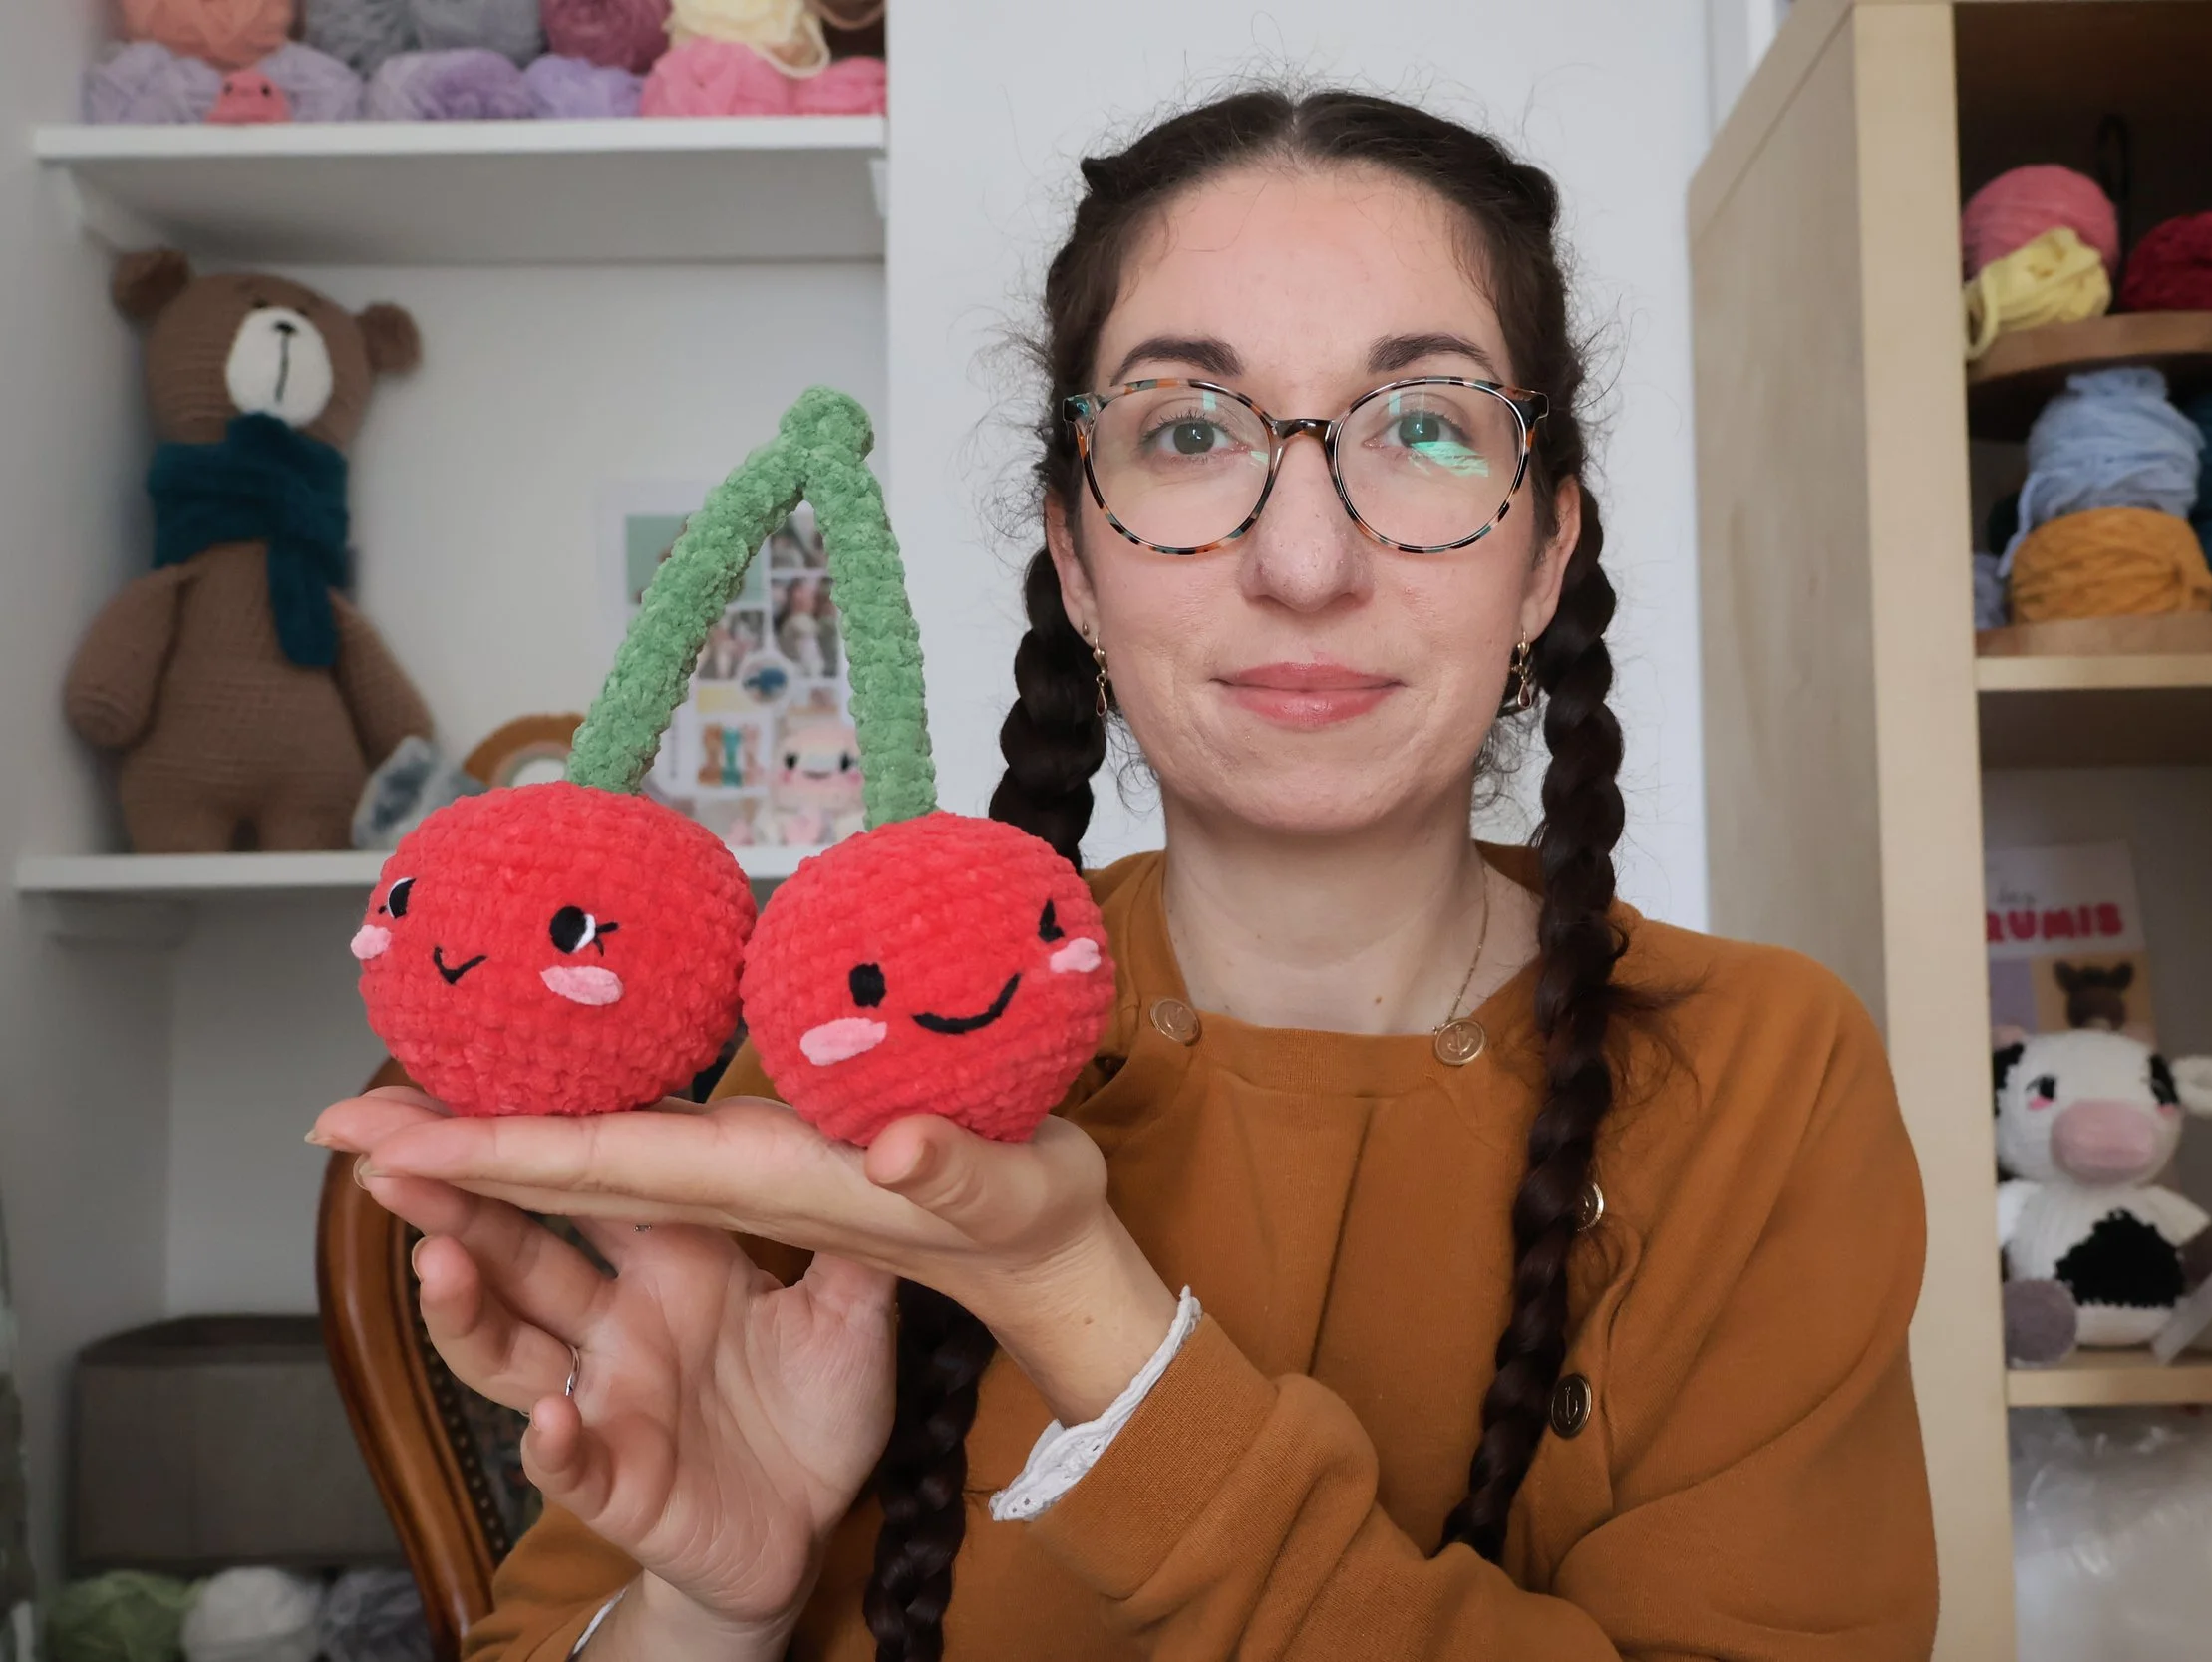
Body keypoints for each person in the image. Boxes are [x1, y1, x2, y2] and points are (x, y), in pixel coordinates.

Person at [312, 88, 1938, 1662]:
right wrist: (711, 1607)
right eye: (1189, 430)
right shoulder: (857, 1033)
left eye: (1426, 425)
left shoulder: (1758, 1073)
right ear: (1076, 561)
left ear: (1546, 556)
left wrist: (1070, 1299)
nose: (1305, 561)